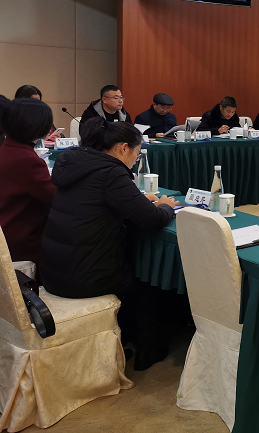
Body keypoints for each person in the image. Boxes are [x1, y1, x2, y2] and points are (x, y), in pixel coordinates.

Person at [40, 119, 177, 371]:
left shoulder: (76, 164)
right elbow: (153, 219)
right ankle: (147, 351)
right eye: (137, 152)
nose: (136, 158)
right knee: (147, 282)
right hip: (82, 278)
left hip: (52, 271)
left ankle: (124, 335)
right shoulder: (111, 173)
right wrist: (166, 206)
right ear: (123, 148)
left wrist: (138, 200)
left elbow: (98, 202)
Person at [0, 99, 56, 266]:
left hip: (6, 234)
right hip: (22, 243)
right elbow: (56, 197)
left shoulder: (5, 149)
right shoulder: (28, 160)